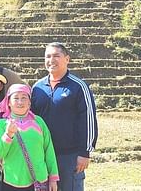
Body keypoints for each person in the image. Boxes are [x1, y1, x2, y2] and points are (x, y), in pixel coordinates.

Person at [31, 42, 98, 191]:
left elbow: (88, 120)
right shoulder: (37, 88)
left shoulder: (78, 86)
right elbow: (31, 120)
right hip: (43, 156)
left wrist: (84, 152)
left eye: (56, 56)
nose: (51, 60)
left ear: (67, 59)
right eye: (48, 56)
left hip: (70, 156)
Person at [0, 84, 59, 191]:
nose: (20, 102)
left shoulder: (39, 122)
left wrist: (53, 178)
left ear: (29, 102)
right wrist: (8, 134)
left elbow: (49, 150)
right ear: (9, 103)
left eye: (24, 98)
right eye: (16, 98)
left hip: (38, 181)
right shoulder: (2, 124)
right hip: (12, 181)